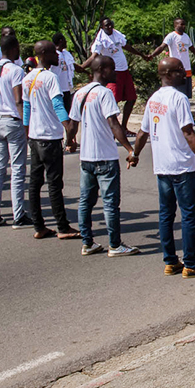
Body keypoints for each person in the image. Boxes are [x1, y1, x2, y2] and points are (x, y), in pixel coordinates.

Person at [130, 57, 195, 278]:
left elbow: (143, 132)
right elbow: (188, 132)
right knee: (189, 215)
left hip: (162, 168)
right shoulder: (178, 98)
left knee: (166, 215)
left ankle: (170, 261)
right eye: (179, 70)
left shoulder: (153, 99)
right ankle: (190, 263)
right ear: (168, 74)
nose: (184, 73)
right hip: (180, 167)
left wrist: (135, 154)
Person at [67, 55, 140, 257]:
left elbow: (73, 124)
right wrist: (129, 149)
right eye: (113, 69)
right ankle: (115, 245)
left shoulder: (80, 93)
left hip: (86, 158)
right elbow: (114, 124)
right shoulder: (105, 93)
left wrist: (69, 142)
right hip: (105, 157)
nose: (116, 72)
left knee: (85, 202)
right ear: (103, 70)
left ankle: (87, 243)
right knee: (110, 203)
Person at [23, 40, 78, 240]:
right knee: (54, 184)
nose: (58, 55)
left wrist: (27, 132)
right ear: (45, 53)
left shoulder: (27, 78)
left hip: (35, 138)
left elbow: (26, 109)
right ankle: (63, 227)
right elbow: (58, 105)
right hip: (50, 137)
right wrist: (69, 131)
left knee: (35, 183)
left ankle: (39, 226)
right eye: (54, 52)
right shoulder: (50, 77)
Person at [0, 35, 30, 227]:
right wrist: (26, 124)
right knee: (18, 169)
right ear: (12, 49)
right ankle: (18, 213)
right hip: (13, 121)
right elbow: (18, 99)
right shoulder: (16, 70)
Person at [81, 18, 146, 135]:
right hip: (113, 74)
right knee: (112, 100)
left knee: (131, 98)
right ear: (102, 27)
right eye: (106, 26)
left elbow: (127, 47)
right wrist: (82, 67)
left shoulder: (117, 35)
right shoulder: (100, 40)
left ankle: (123, 127)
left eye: (111, 25)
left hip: (124, 70)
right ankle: (111, 129)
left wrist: (142, 55)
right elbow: (94, 56)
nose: (109, 27)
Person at [148, 18, 195, 99]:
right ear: (175, 25)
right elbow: (162, 47)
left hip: (186, 69)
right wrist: (152, 55)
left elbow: (194, 50)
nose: (184, 26)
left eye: (184, 24)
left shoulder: (186, 36)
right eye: (182, 24)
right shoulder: (171, 36)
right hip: (176, 69)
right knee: (179, 93)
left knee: (186, 95)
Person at [53, 33, 78, 111]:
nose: (66, 42)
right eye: (65, 40)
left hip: (67, 89)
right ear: (61, 41)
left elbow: (74, 66)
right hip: (58, 89)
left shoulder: (65, 54)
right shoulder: (54, 55)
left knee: (68, 111)